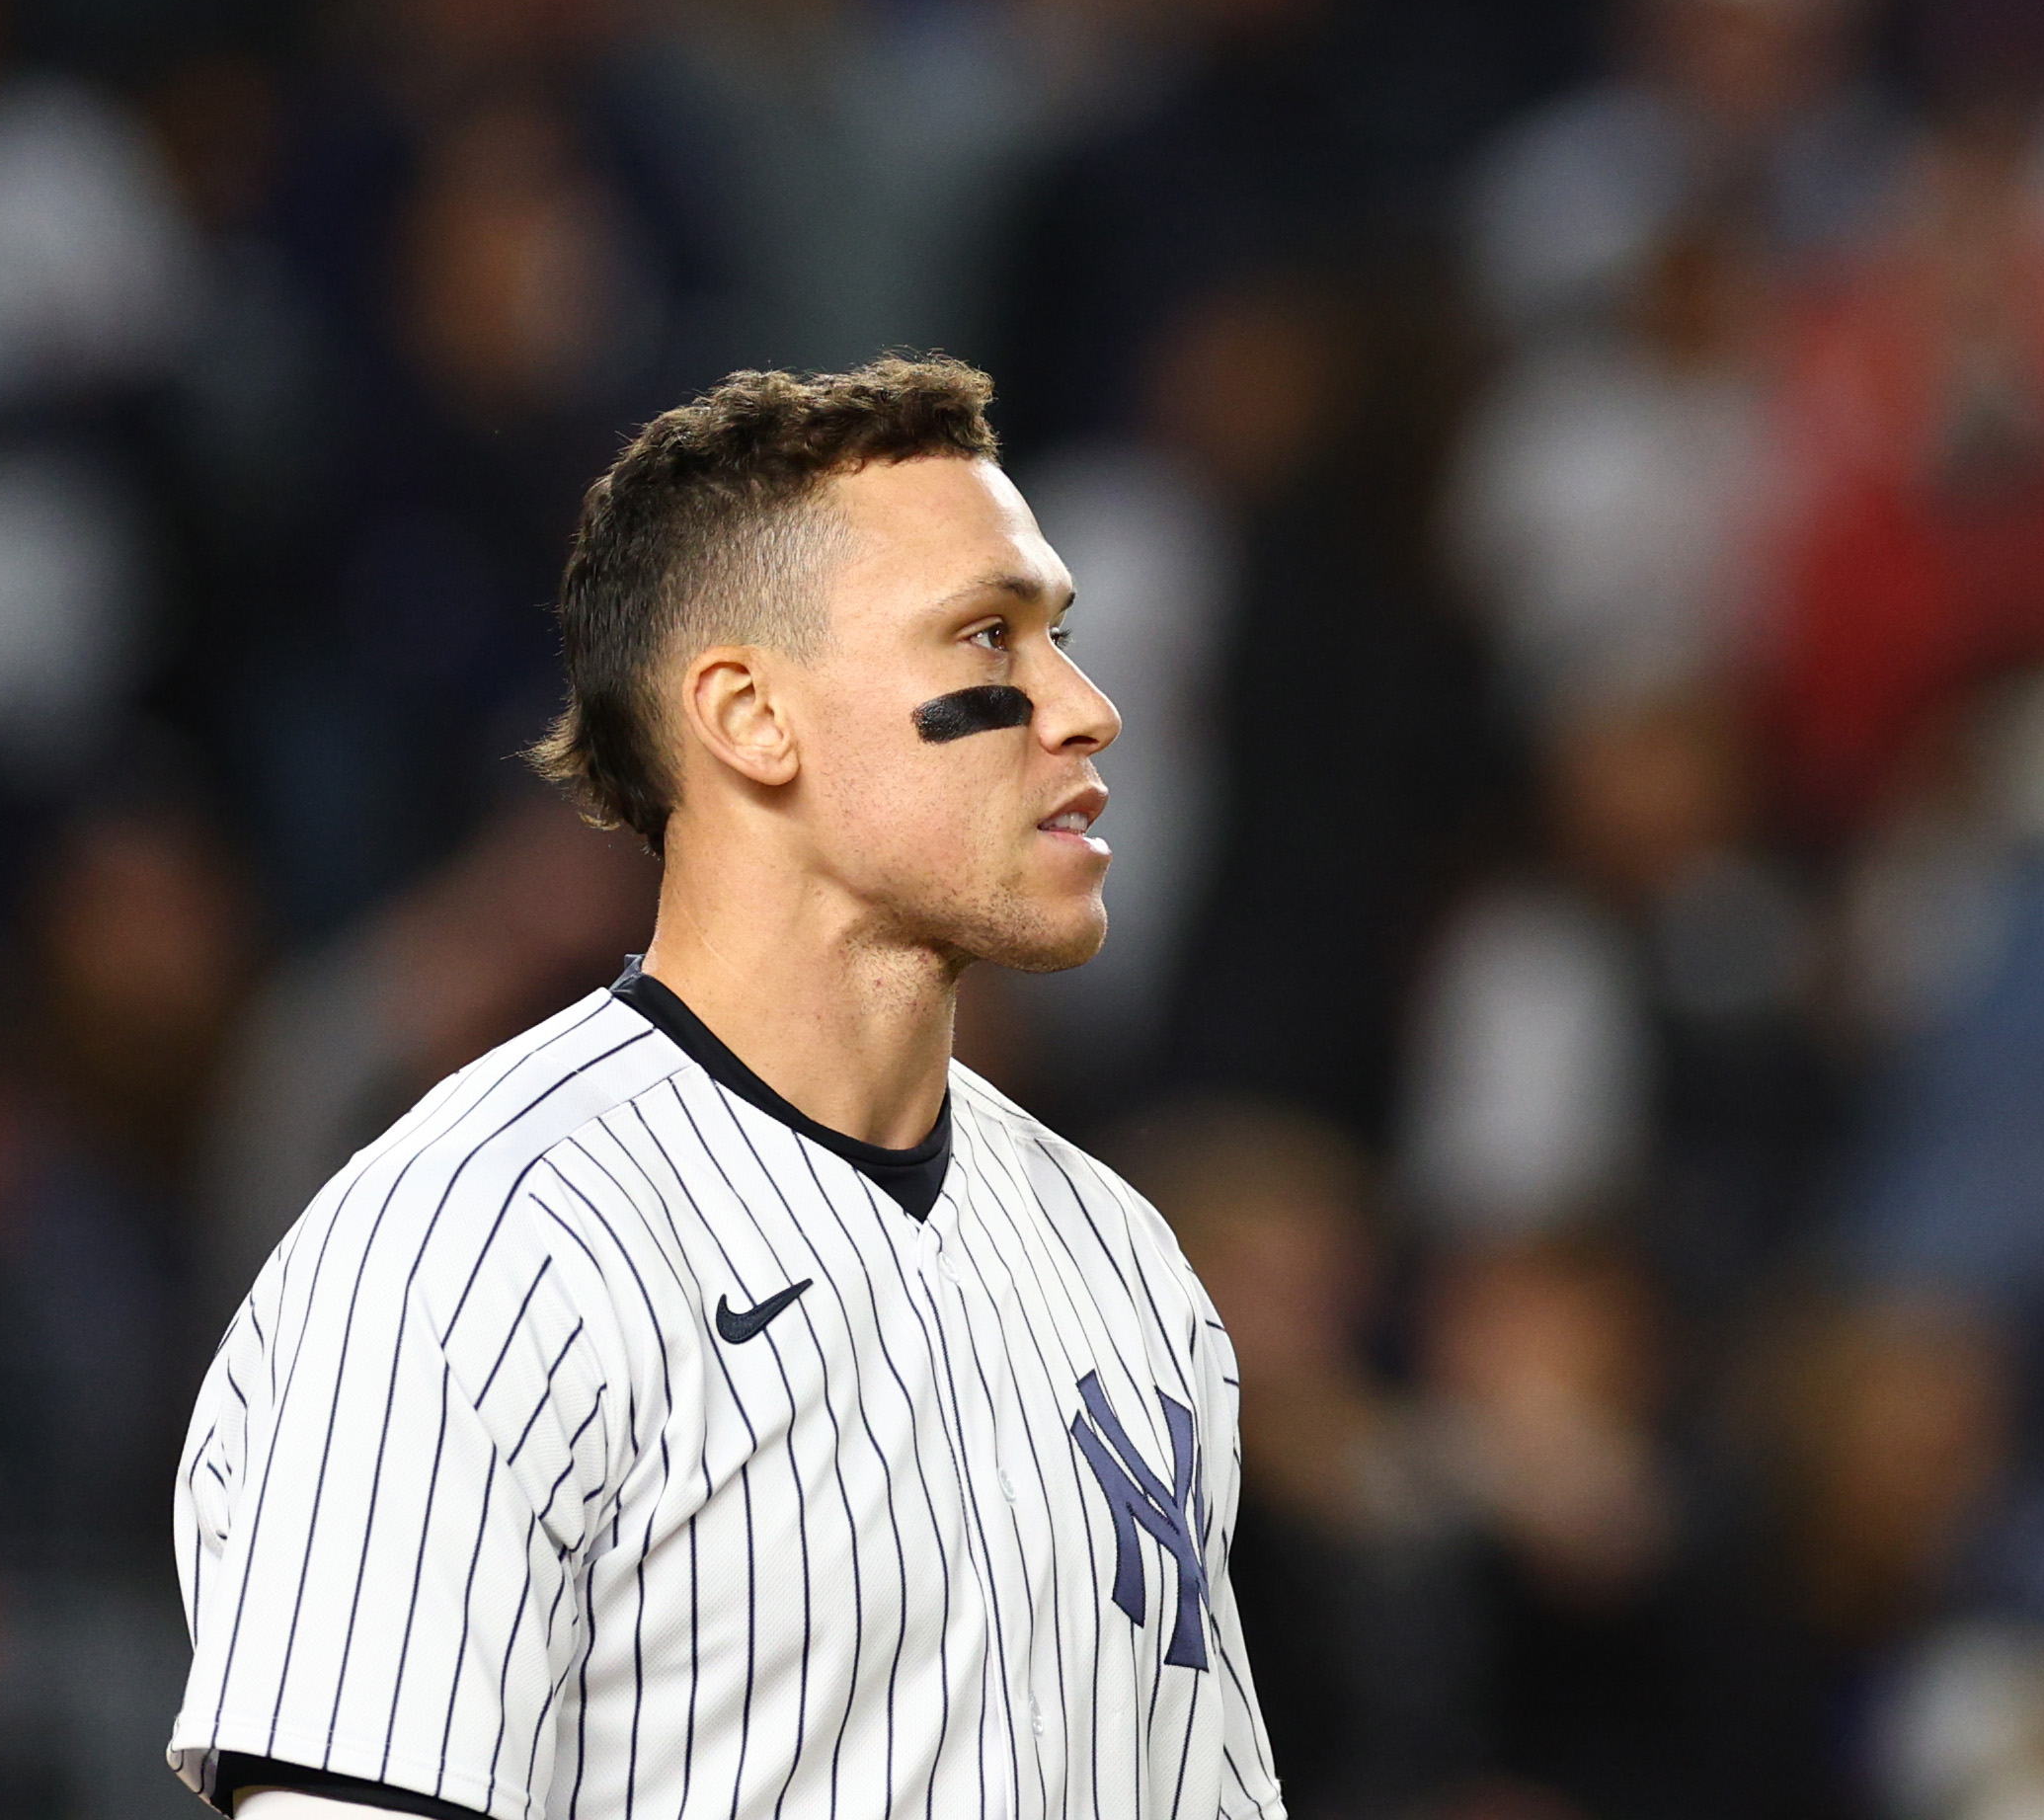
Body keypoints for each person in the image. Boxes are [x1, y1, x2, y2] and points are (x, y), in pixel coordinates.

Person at [164, 356, 1282, 1820]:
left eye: (1059, 635)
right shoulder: (471, 1250)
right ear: (752, 719)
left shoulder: (1123, 1264)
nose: (1083, 708)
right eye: (988, 639)